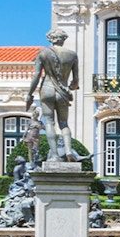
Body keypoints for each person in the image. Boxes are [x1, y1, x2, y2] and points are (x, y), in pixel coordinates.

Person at [27, 29, 79, 162]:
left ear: (51, 39)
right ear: (63, 39)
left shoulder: (43, 53)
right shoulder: (72, 55)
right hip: (63, 92)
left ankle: (55, 155)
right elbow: (75, 81)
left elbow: (37, 76)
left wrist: (29, 94)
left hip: (47, 89)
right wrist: (72, 86)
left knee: (49, 122)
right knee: (64, 124)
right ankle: (68, 151)